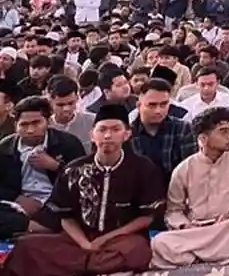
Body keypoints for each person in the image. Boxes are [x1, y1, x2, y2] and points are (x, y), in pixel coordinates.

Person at [1, 104, 165, 276]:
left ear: (127, 134)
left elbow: (146, 217)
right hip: (79, 238)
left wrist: (105, 239)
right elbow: (66, 217)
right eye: (102, 130)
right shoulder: (74, 169)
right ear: (92, 135)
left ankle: (76, 267)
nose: (108, 135)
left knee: (136, 250)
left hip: (120, 239)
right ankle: (95, 267)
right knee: (27, 246)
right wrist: (85, 244)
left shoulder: (143, 168)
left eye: (115, 129)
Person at [150, 106, 229, 268]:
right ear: (203, 139)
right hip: (196, 230)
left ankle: (196, 258)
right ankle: (222, 256)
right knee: (160, 242)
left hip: (227, 226)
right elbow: (174, 211)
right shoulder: (184, 169)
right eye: (223, 131)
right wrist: (185, 225)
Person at [0, 96, 86, 234]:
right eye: (24, 125)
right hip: (18, 205)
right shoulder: (5, 147)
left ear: (48, 121)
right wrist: (17, 198)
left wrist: (56, 166)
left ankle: (29, 228)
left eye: (36, 123)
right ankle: (33, 226)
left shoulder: (68, 143)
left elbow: (84, 180)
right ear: (16, 125)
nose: (30, 130)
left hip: (55, 204)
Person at [129, 77, 197, 180]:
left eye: (164, 104)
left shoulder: (183, 129)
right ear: (139, 105)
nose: (158, 110)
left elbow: (190, 171)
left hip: (176, 190)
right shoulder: (128, 133)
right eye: (152, 105)